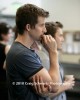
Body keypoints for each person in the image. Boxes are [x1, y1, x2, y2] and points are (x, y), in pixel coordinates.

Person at [6, 4, 60, 100]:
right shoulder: (21, 53)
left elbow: (48, 88)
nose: (45, 30)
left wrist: (44, 93)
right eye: (42, 25)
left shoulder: (24, 50)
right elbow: (55, 86)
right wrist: (53, 52)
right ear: (28, 27)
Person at [32, 22, 75, 100]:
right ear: (50, 38)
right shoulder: (44, 59)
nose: (63, 39)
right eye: (60, 36)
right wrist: (66, 85)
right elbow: (46, 94)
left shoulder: (50, 56)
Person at [0, 22, 11, 100]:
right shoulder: (7, 47)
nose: (11, 35)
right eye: (9, 33)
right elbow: (7, 66)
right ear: (3, 35)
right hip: (3, 82)